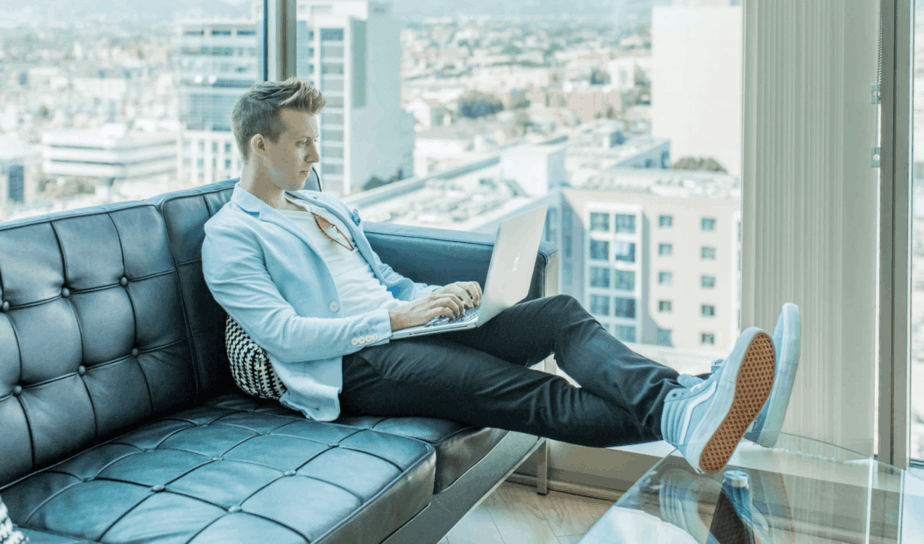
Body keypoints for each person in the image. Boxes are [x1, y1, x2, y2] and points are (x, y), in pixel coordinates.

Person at [202, 80, 801, 475]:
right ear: (260, 145)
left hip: (406, 329)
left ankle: (698, 408)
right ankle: (704, 405)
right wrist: (394, 319)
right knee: (526, 391)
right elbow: (284, 336)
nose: (314, 156)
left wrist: (435, 298)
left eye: (315, 141)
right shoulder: (231, 236)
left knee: (560, 315)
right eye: (302, 143)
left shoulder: (321, 205)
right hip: (354, 364)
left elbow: (381, 276)